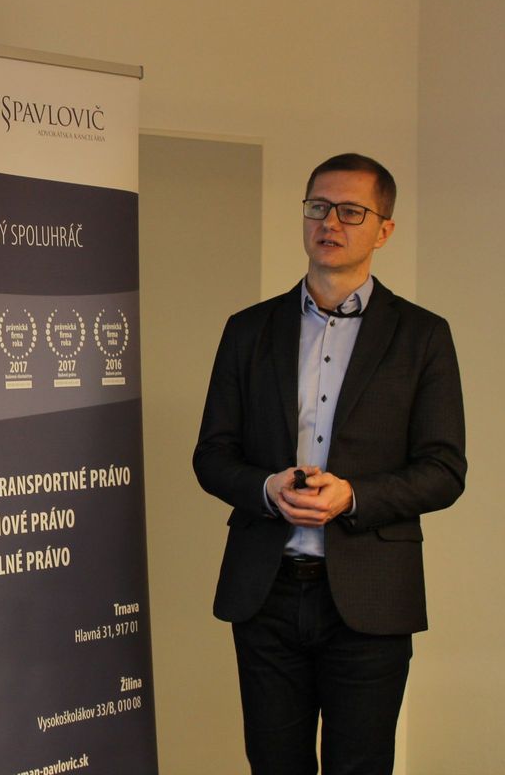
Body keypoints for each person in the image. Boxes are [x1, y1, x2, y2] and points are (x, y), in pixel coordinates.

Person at [192, 153, 466, 775]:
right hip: (265, 593)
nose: (330, 222)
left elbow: (445, 468)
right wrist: (266, 487)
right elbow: (211, 455)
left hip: (371, 598)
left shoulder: (423, 336)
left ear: (384, 230)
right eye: (318, 207)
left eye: (350, 211)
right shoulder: (248, 329)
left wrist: (353, 496)